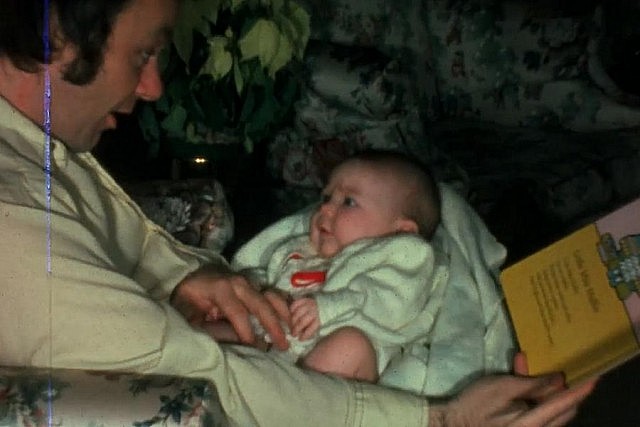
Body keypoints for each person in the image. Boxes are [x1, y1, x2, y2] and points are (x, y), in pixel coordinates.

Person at [0, 1, 596, 426]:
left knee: (451, 214)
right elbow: (201, 381)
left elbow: (128, 240)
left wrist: (186, 275)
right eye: (144, 53)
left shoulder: (40, 144)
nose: (154, 87)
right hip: (221, 388)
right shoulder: (13, 218)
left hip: (254, 336)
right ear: (56, 32)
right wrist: (442, 419)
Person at [224, 150, 447, 383]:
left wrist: (329, 308)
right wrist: (252, 286)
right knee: (217, 330)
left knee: (350, 347)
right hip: (273, 345)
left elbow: (389, 301)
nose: (325, 209)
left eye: (348, 202)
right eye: (326, 198)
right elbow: (270, 275)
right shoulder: (301, 250)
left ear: (400, 232)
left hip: (332, 368)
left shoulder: (404, 257)